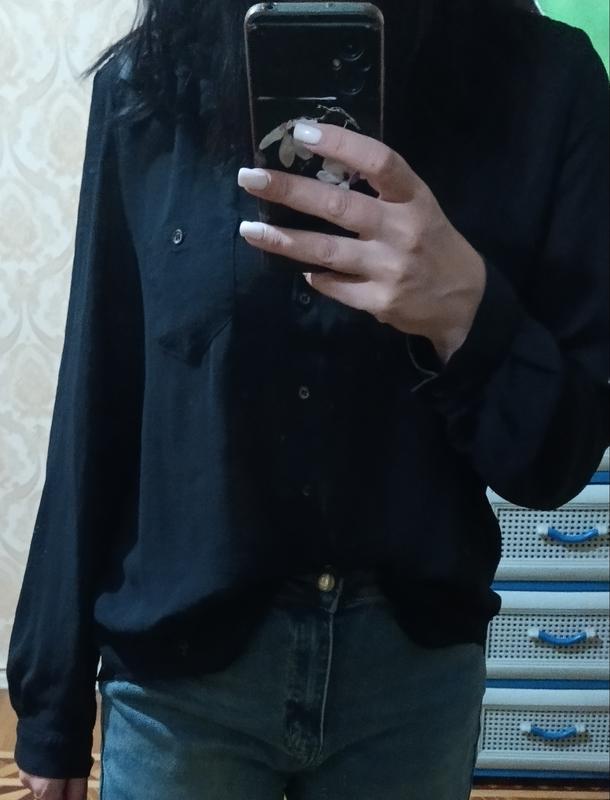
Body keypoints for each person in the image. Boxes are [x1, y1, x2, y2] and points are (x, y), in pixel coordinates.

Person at [7, 0, 608, 798]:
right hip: (181, 684)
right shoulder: (151, 83)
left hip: (411, 683)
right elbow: (98, 394)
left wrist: (464, 310)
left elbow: (555, 460)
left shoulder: (544, 83)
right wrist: (51, 707)